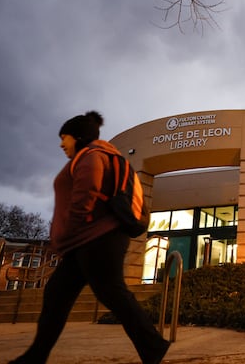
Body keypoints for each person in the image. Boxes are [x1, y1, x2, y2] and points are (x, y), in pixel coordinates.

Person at [10, 111, 169, 364]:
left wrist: (64, 234)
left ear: (79, 137)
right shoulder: (95, 155)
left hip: (97, 238)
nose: (62, 144)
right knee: (57, 295)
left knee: (112, 294)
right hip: (86, 241)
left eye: (66, 137)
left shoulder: (92, 156)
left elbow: (85, 198)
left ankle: (154, 346)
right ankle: (35, 355)